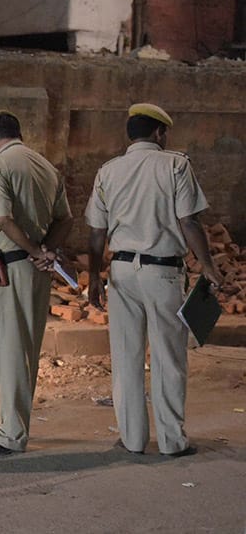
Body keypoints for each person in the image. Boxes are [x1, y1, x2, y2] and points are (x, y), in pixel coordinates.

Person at [85, 103, 222, 457]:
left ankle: (132, 439)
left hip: (121, 270)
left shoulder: (108, 171)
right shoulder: (175, 165)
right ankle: (172, 442)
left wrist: (95, 277)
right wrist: (206, 264)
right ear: (159, 133)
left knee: (126, 355)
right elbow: (189, 222)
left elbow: (96, 232)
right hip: (163, 272)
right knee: (167, 356)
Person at [0, 110, 72, 455]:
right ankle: (6, 418)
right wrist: (47, 251)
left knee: (9, 350)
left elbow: (3, 217)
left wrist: (31, 249)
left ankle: (11, 434)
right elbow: (65, 218)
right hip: (33, 270)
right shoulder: (46, 166)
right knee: (25, 347)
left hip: (9, 269)